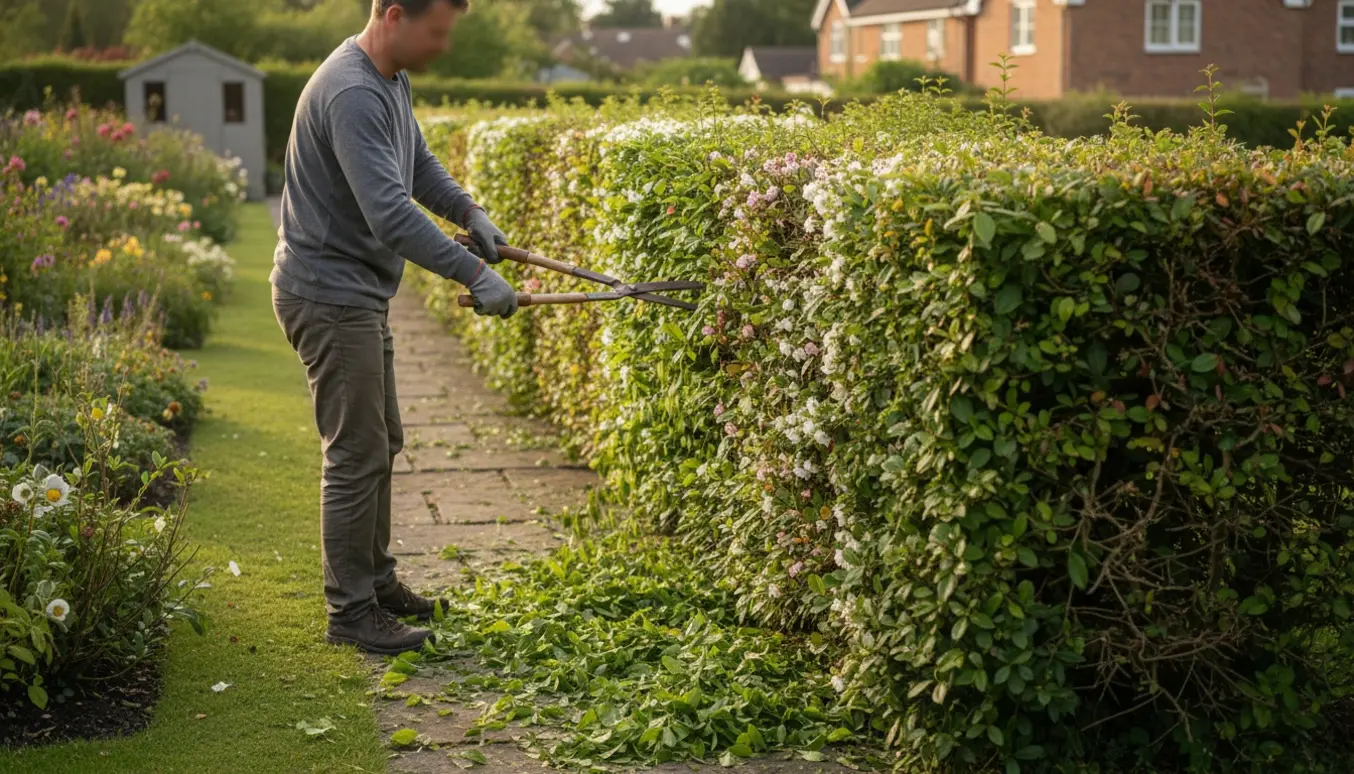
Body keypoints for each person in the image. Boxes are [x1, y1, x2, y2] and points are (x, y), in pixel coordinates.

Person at [270, 0, 517, 655]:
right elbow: (389, 213)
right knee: (356, 454)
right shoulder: (350, 90)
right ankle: (350, 612)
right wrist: (472, 273)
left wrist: (468, 208)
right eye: (436, 31)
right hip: (328, 295)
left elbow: (415, 167)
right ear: (395, 15)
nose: (442, 46)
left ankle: (375, 584)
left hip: (355, 292)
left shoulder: (389, 79)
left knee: (385, 439)